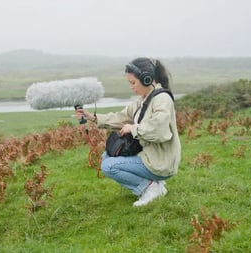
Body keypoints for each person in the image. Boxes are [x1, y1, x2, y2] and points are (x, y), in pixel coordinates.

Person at [76, 57, 181, 207]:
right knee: (107, 156)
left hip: (160, 162)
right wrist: (92, 117)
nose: (131, 87)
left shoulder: (162, 99)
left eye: (133, 82)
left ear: (146, 79)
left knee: (109, 166)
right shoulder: (143, 100)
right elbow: (121, 117)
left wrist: (133, 129)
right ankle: (154, 184)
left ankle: (149, 188)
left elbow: (159, 130)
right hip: (148, 157)